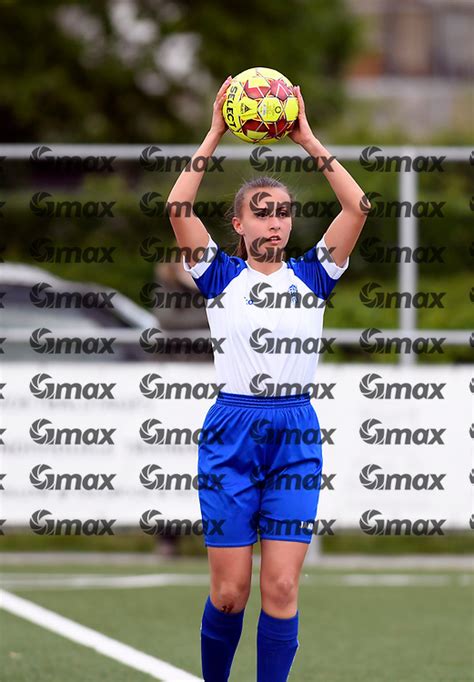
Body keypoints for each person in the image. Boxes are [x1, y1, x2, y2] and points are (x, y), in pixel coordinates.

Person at [167, 76, 369, 682]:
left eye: (283, 212)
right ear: (239, 224)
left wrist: (308, 139)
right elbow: (178, 207)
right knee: (231, 593)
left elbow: (358, 207)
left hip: (295, 432)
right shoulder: (218, 274)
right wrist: (214, 133)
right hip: (232, 428)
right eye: (262, 212)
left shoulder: (313, 275)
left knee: (280, 586)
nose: (275, 222)